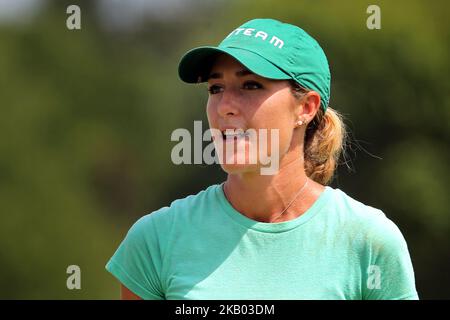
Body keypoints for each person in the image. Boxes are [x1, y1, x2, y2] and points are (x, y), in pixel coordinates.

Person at [105, 18, 418, 300]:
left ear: (306, 108)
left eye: (251, 85)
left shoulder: (369, 242)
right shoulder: (155, 241)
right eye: (215, 88)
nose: (224, 105)